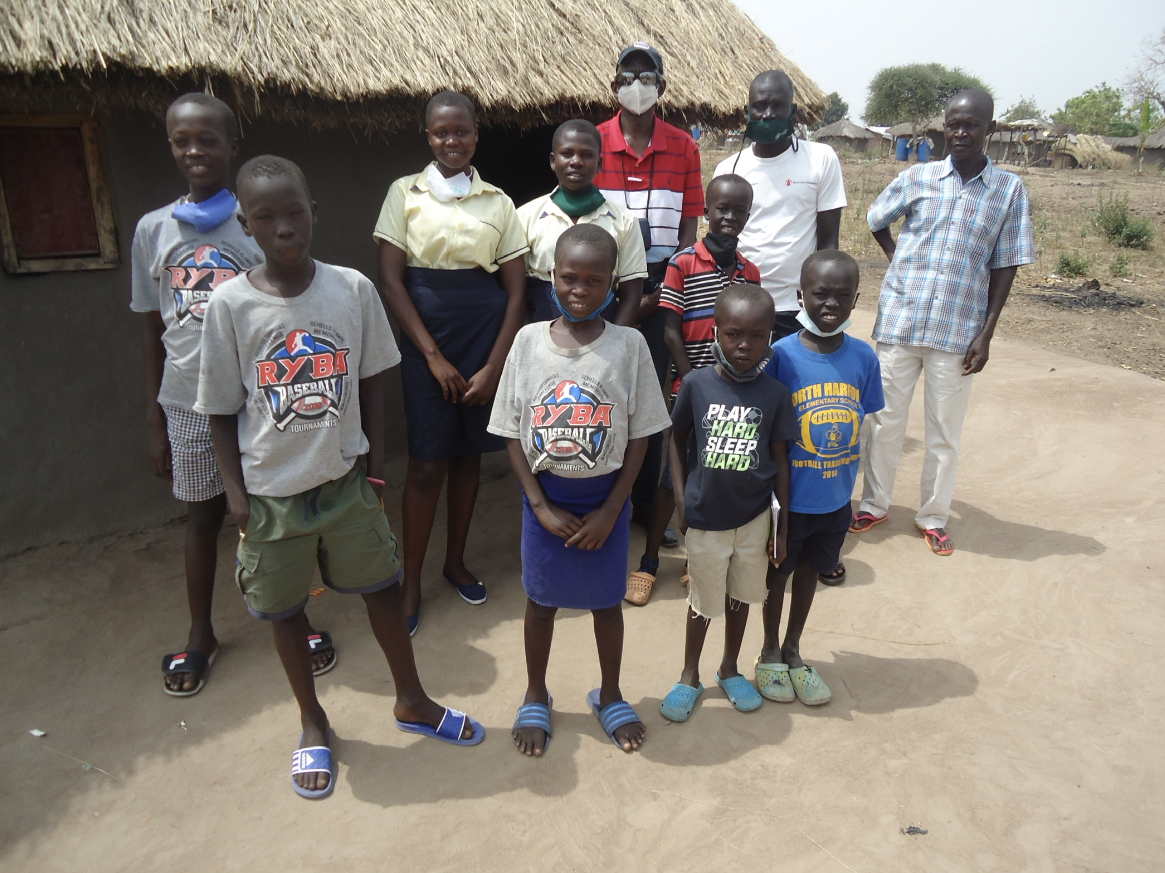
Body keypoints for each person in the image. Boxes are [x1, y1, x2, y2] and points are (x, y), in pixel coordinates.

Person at [196, 155, 484, 800]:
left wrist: (376, 470)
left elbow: (373, 382)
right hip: (271, 497)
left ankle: (412, 700)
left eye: (294, 212)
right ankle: (313, 720)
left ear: (314, 213)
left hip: (347, 484)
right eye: (265, 218)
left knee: (381, 591)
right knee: (285, 611)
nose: (284, 228)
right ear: (245, 224)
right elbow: (218, 410)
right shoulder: (230, 306)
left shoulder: (351, 289)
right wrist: (238, 499)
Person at [130, 93, 333, 697]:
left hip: (260, 399)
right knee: (203, 518)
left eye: (208, 140)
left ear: (232, 145)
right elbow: (151, 325)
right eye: (182, 141)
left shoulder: (257, 220)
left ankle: (299, 618)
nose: (195, 151)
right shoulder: (153, 231)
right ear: (171, 147)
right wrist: (153, 414)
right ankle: (201, 634)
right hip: (188, 400)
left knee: (280, 514)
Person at [488, 225, 671, 757]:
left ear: (614, 283)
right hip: (545, 505)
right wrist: (540, 505)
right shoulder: (527, 343)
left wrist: (615, 509)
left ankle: (609, 693)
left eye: (595, 280)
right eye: (569, 277)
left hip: (604, 506)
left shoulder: (630, 345)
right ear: (551, 276)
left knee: (605, 603)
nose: (580, 290)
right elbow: (509, 430)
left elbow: (641, 434)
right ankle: (535, 692)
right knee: (540, 602)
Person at [853, 89, 1035, 556]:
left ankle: (933, 516)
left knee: (944, 433)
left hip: (958, 332)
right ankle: (874, 504)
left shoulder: (1008, 190)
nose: (959, 131)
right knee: (884, 421)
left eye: (970, 124)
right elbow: (875, 218)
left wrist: (987, 332)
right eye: (952, 123)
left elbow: (1006, 263)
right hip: (901, 321)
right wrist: (897, 259)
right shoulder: (919, 176)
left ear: (989, 129)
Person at [375, 90, 529, 633]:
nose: (452, 141)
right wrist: (433, 357)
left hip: (483, 338)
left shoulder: (499, 202)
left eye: (461, 131)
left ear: (476, 134)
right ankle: (411, 579)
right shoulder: (404, 193)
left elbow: (515, 294)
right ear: (428, 137)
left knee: (468, 459)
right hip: (427, 343)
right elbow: (392, 281)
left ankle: (455, 562)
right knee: (425, 465)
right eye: (441, 132)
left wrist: (494, 366)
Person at [658, 283, 795, 722]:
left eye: (757, 336)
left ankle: (730, 667)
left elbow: (781, 461)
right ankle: (689, 675)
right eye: (734, 333)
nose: (744, 345)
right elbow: (676, 442)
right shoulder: (696, 385)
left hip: (754, 519)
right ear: (716, 331)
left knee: (741, 597)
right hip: (705, 517)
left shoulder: (774, 395)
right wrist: (681, 498)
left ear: (770, 337)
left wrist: (783, 524)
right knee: (703, 600)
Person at [754, 251, 883, 707]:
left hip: (834, 498)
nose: (831, 304)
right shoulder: (779, 357)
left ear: (856, 300)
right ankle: (768, 649)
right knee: (778, 576)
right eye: (820, 294)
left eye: (842, 296)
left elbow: (860, 417)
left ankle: (793, 649)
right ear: (799, 296)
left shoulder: (864, 358)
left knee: (811, 572)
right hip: (788, 501)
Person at [625, 174, 761, 607]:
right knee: (673, 476)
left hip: (734, 392)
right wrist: (694, 384)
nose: (730, 217)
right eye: (722, 209)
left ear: (747, 216)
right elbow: (669, 332)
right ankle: (648, 562)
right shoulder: (682, 263)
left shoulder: (749, 271)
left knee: (717, 474)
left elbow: (754, 333)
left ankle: (694, 562)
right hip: (690, 388)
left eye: (739, 211)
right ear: (706, 210)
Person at [596, 42, 704, 540]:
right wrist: (619, 297)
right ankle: (603, 498)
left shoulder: (684, 147)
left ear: (661, 86)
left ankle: (644, 507)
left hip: (661, 288)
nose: (636, 84)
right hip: (602, 291)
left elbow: (689, 231)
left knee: (649, 399)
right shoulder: (594, 142)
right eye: (627, 75)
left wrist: (660, 292)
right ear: (614, 83)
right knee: (604, 393)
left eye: (647, 76)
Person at [713, 70, 847, 340]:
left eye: (778, 106)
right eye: (760, 106)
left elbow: (828, 243)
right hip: (743, 303)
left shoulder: (821, 159)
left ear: (793, 111)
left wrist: (820, 307)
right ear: (747, 111)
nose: (768, 115)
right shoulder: (728, 170)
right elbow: (719, 242)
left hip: (797, 308)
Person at [517, 119, 646, 326]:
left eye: (587, 155)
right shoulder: (525, 216)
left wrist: (618, 341)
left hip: (604, 329)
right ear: (552, 160)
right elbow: (517, 291)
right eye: (567, 153)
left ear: (600, 163)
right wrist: (526, 338)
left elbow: (631, 294)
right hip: (539, 323)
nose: (576, 161)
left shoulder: (624, 221)